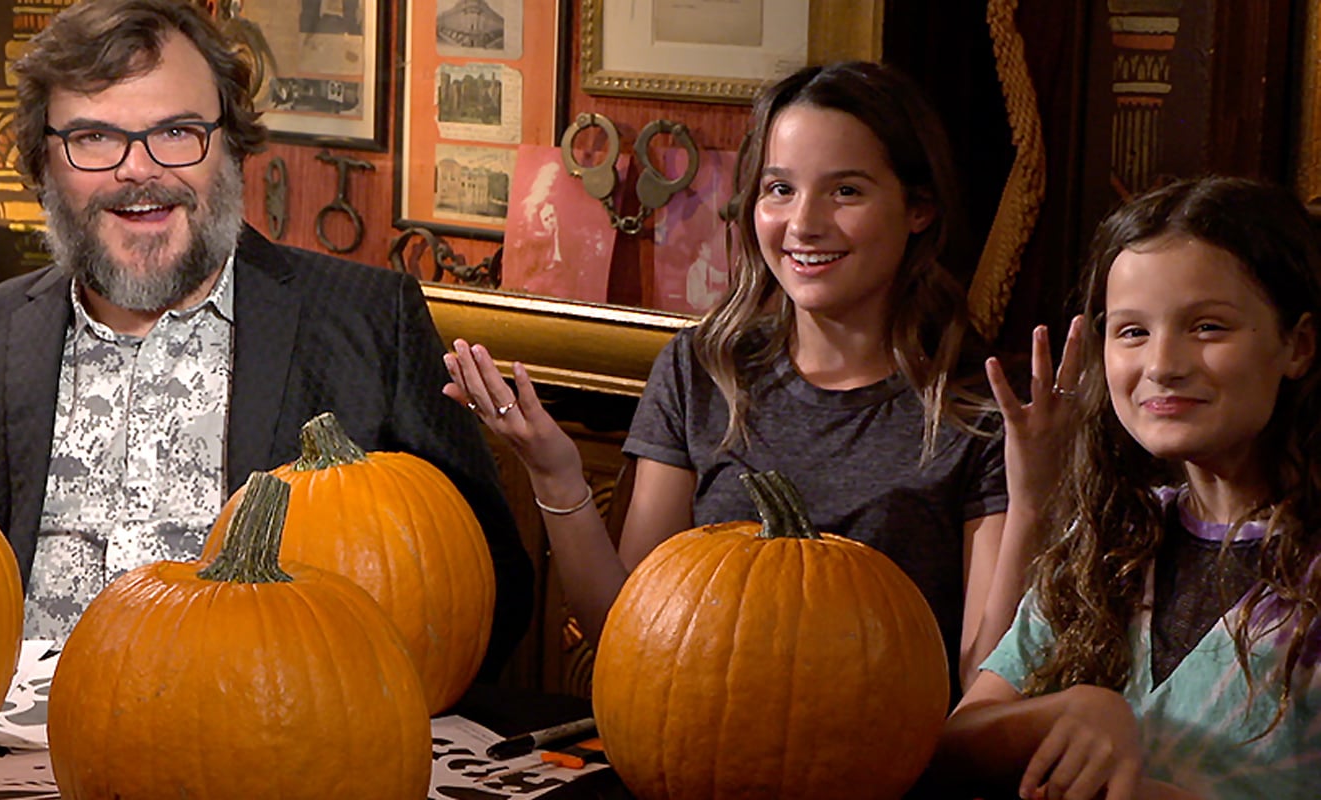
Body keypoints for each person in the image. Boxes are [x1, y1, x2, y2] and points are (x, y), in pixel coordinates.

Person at [0, 0, 532, 680]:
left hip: (273, 739)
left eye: (177, 131)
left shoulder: (370, 323)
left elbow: (489, 598)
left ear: (230, 145)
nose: (139, 169)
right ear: (43, 162)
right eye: (94, 138)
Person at [445, 61, 1052, 696]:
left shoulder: (978, 407)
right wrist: (555, 473)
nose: (804, 224)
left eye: (846, 191)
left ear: (919, 207)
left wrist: (1033, 499)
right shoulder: (702, 371)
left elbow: (983, 679)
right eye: (780, 189)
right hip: (698, 752)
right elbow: (630, 636)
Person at [931, 176, 1321, 799]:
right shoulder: (1108, 549)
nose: (1162, 364)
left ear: (1297, 345)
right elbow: (952, 747)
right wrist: (1071, 711)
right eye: (1132, 332)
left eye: (1208, 328)